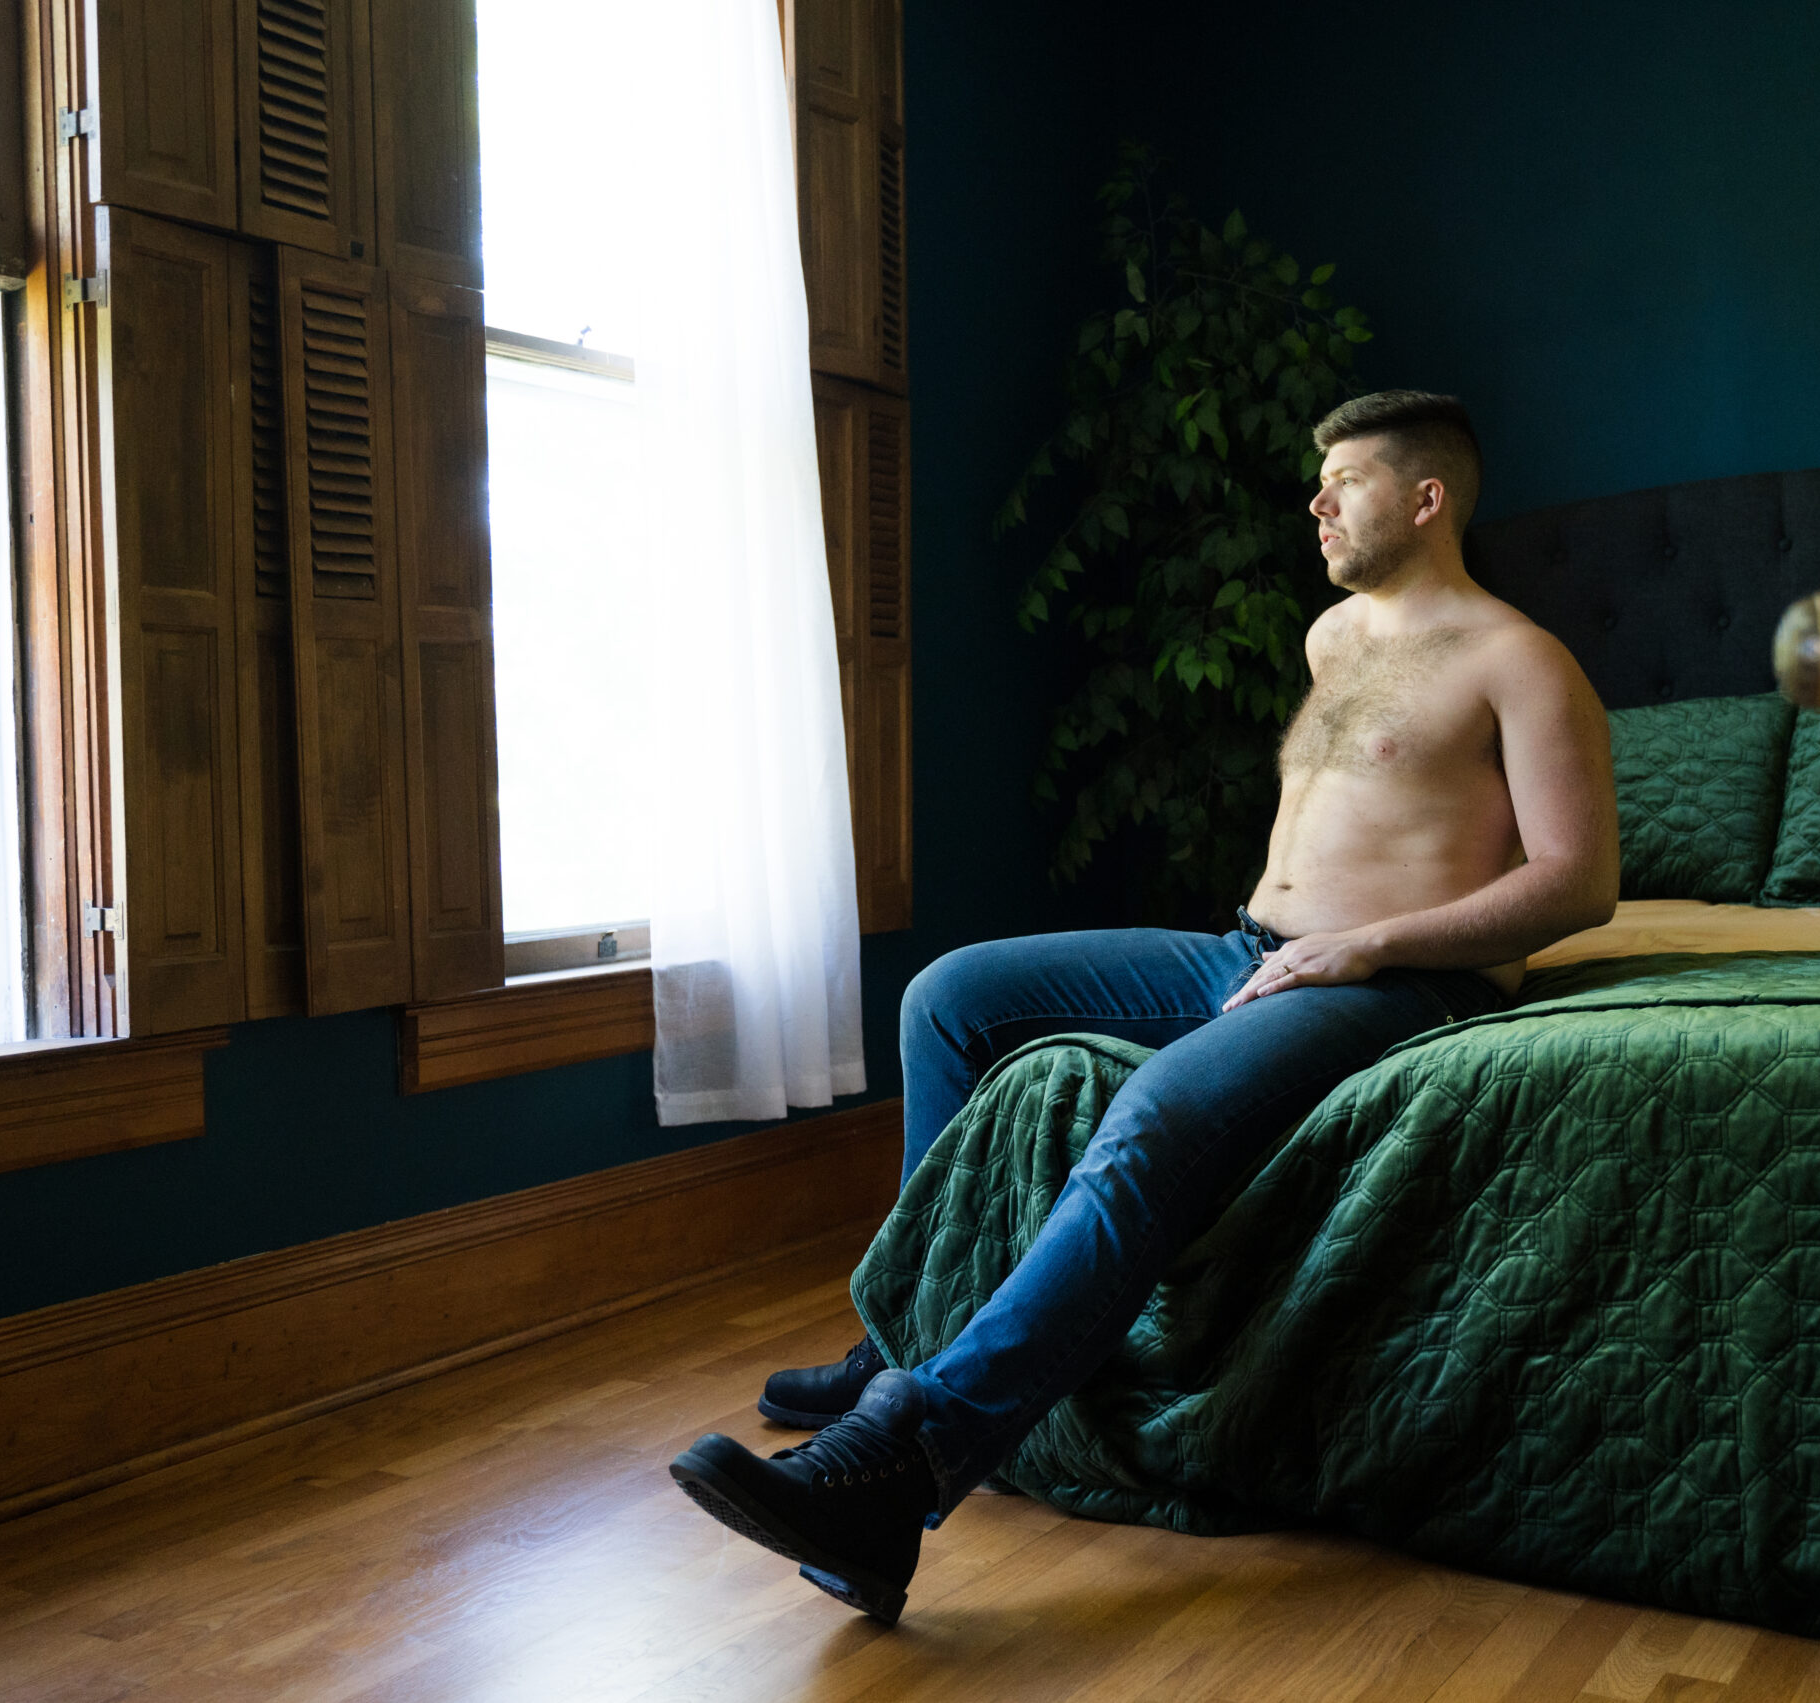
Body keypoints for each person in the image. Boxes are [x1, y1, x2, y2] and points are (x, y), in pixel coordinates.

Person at [667, 390, 1620, 1625]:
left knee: (1153, 1110)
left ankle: (907, 1454)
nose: (1315, 501)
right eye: (1317, 479)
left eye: (1346, 479)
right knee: (948, 997)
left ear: (1427, 497)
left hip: (1399, 981)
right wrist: (1288, 943)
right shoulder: (1333, 639)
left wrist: (1364, 942)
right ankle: (906, 1326)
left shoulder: (1521, 658)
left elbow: (1580, 882)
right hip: (1243, 949)